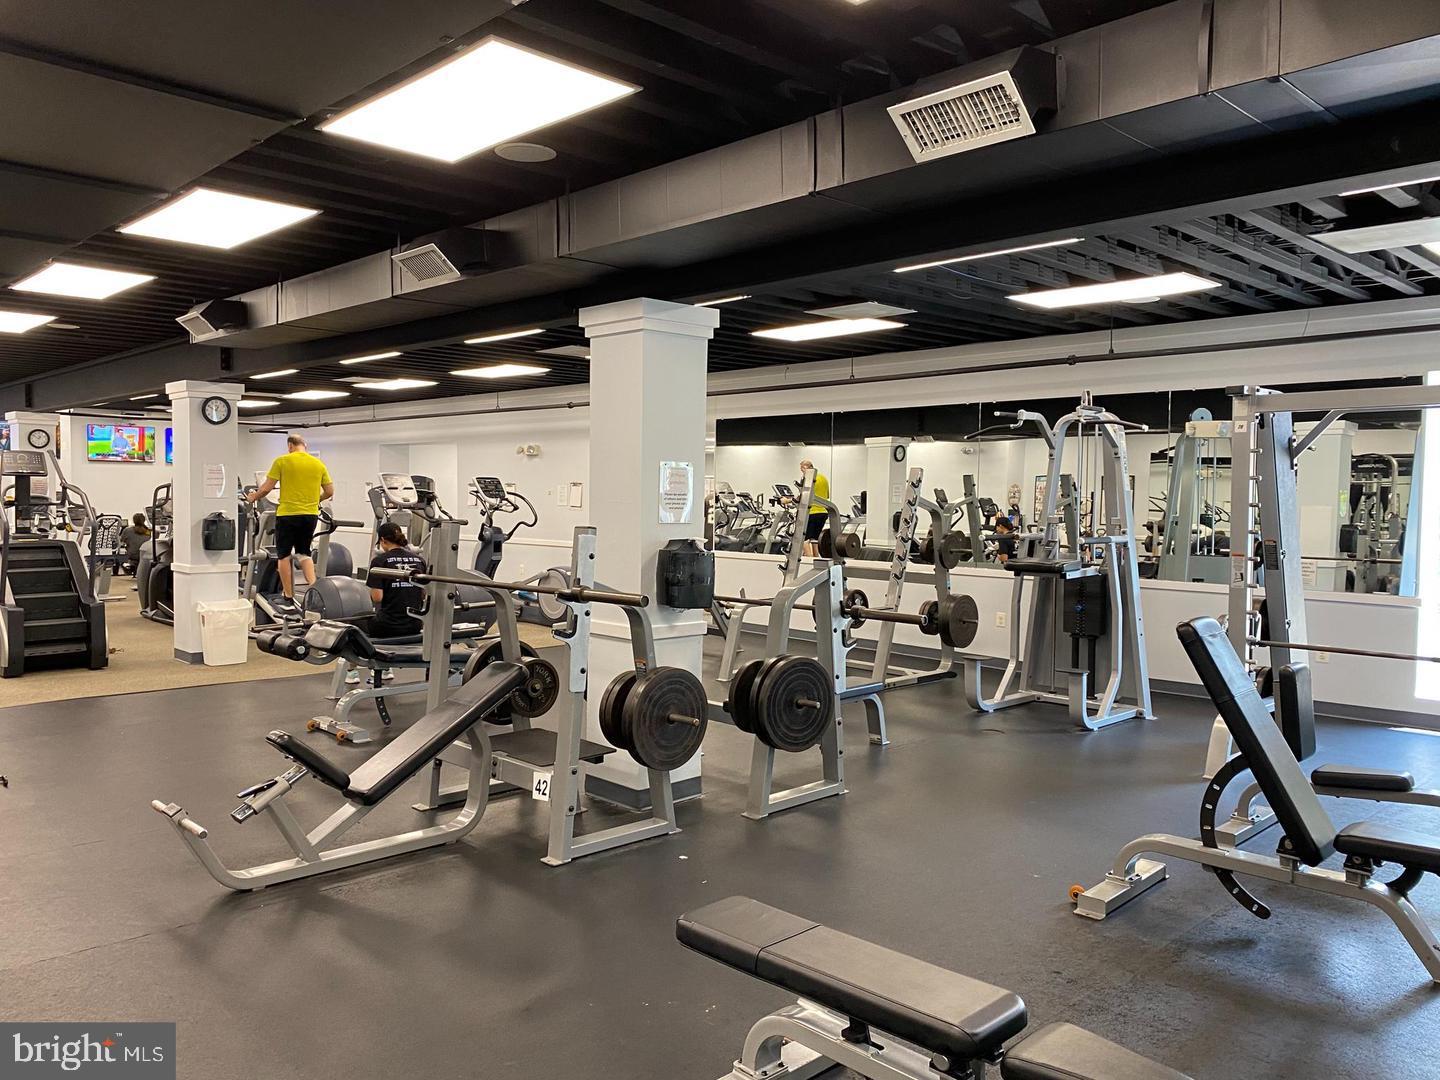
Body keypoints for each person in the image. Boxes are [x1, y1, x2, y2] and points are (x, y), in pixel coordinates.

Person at [246, 434, 334, 610]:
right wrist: (316, 500)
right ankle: (314, 593)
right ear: (305, 446)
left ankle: (288, 596)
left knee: (284, 555)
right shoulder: (318, 464)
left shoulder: (282, 461)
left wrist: (253, 497)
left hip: (288, 515)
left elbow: (266, 488)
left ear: (290, 446)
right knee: (304, 553)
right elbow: (330, 491)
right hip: (310, 515)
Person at [364, 521, 426, 639]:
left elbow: (377, 598)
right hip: (415, 625)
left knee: (357, 620)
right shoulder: (419, 560)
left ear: (382, 540)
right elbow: (423, 594)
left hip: (387, 627)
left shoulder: (379, 561)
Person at [798, 458, 831, 543]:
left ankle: (808, 557)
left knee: (805, 540)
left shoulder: (809, 479)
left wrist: (787, 500)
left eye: (803, 470)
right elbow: (826, 496)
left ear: (806, 468)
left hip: (812, 513)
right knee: (815, 540)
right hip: (823, 513)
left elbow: (803, 496)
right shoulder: (823, 478)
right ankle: (815, 556)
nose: (803, 473)